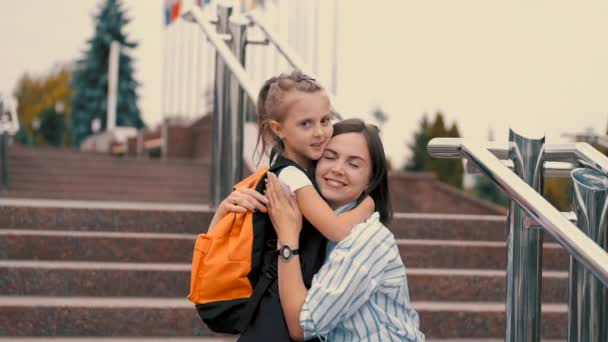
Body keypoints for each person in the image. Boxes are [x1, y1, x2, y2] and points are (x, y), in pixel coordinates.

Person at [212, 71, 375, 341]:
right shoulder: (291, 176)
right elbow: (336, 229)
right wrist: (369, 203)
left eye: (326, 120)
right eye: (306, 124)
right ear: (279, 129)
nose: (321, 132)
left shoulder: (299, 169)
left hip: (289, 297)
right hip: (277, 307)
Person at [264, 119, 425, 341]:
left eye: (354, 164)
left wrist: (287, 238)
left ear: (370, 180)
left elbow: (303, 327)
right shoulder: (317, 227)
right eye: (329, 157)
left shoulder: (366, 239)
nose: (337, 169)